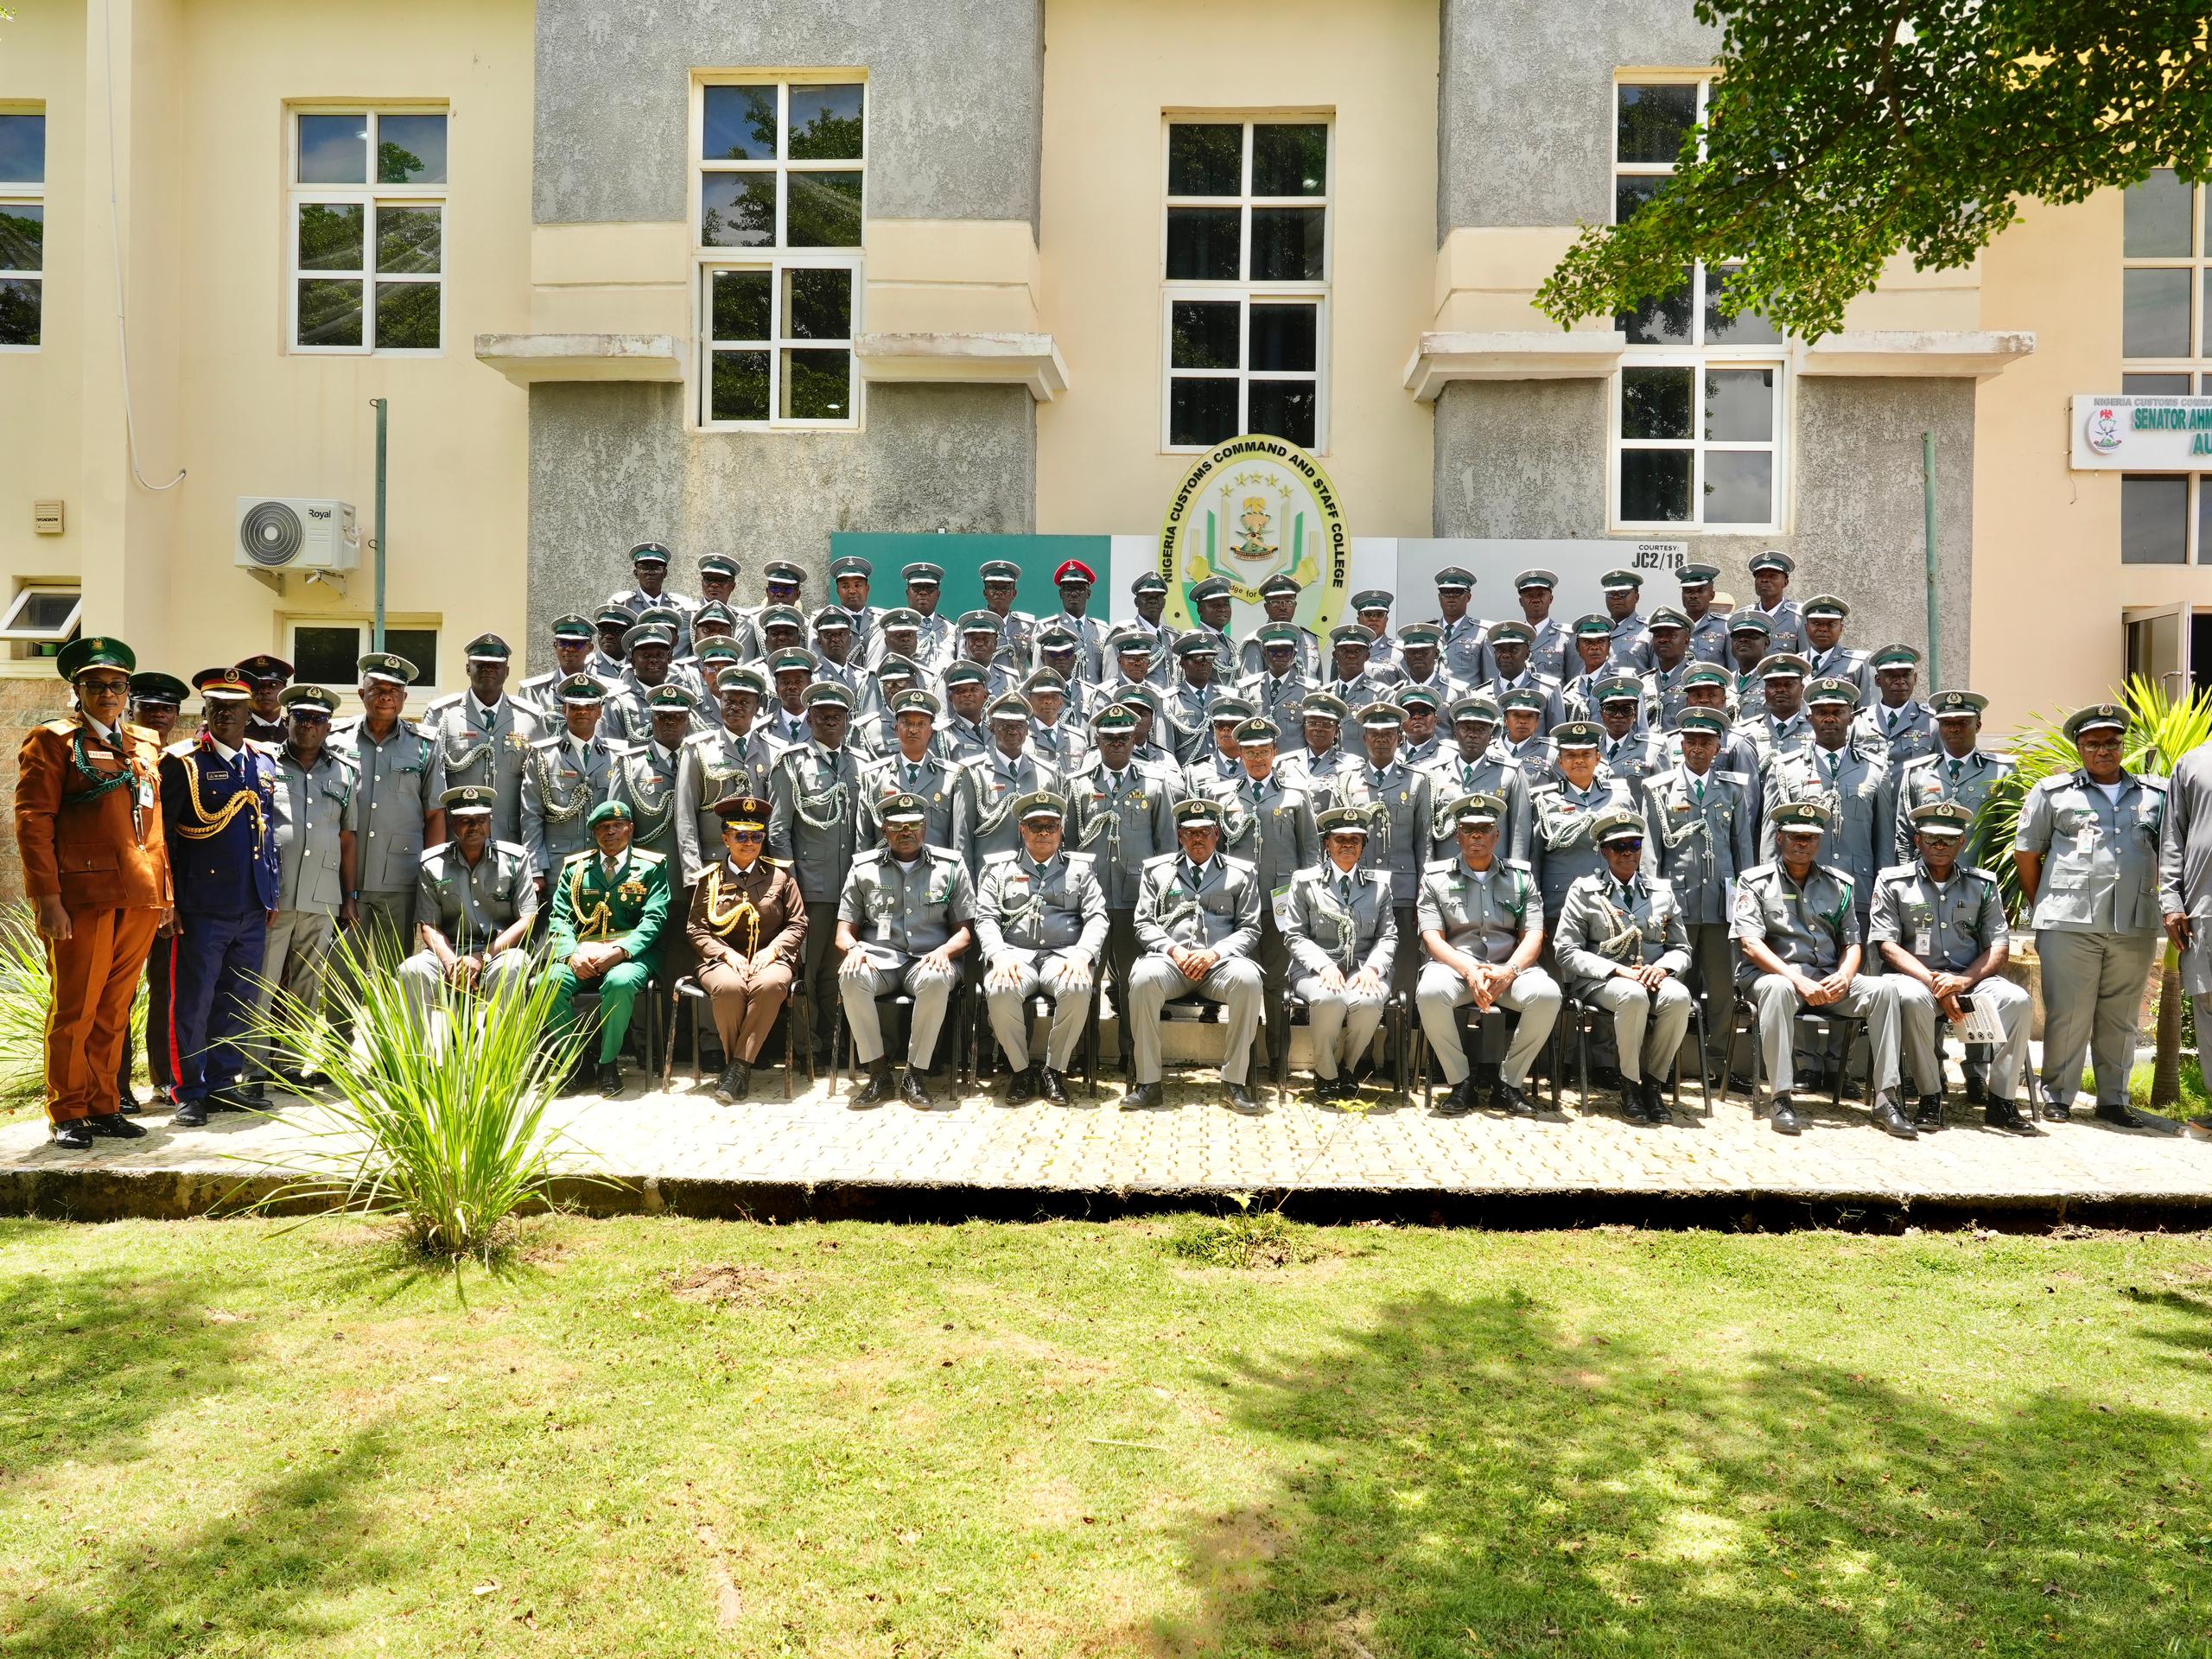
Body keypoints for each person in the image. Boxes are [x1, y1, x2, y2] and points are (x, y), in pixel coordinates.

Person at [15, 637, 169, 1148]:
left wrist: (164, 893)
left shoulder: (144, 744)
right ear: (77, 690)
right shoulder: (53, 741)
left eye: (117, 686)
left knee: (115, 1008)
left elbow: (153, 824)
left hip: (140, 894)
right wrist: (48, 899)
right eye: (96, 685)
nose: (108, 694)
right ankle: (68, 1109)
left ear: (128, 691)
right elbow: (34, 822)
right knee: (76, 1007)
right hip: (82, 896)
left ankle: (105, 1104)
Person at [2013, 703, 2167, 1127]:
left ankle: (2113, 1099)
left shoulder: (2157, 794)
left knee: (2121, 1012)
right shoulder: (2053, 792)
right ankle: (2058, 1094)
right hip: (2068, 920)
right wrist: (2046, 903)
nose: (2104, 751)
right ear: (2079, 748)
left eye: (2112, 743)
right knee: (2069, 1010)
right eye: (2094, 744)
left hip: (2134, 919)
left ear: (2123, 746)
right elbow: (2027, 853)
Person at [1732, 801, 1907, 1137]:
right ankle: (1781, 1098)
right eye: (1796, 836)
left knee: (1885, 990)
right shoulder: (1754, 882)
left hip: (1826, 979)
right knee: (1780, 989)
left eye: (1810, 838)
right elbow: (1750, 945)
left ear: (1820, 842)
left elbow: (1852, 943)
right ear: (1780, 838)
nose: (1803, 843)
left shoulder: (1839, 884)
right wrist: (1796, 979)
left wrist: (1846, 976)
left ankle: (1887, 1098)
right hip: (1774, 979)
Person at [160, 670, 281, 1128]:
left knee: (240, 997)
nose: (225, 712)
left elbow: (267, 835)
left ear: (250, 712)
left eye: (234, 705)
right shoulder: (183, 762)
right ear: (206, 711)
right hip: (201, 904)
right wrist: (169, 901)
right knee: (193, 999)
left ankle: (226, 1083)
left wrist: (269, 894)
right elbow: (165, 838)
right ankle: (189, 1090)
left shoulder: (263, 762)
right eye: (217, 705)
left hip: (251, 903)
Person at [1874, 802, 2037, 1134]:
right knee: (1911, 1000)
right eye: (1932, 839)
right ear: (1917, 840)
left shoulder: (1983, 884)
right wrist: (1937, 982)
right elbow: (1887, 946)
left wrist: (1962, 982)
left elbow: (1999, 946)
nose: (1940, 846)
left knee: (2018, 1000)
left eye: (1949, 840)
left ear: (1962, 842)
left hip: (1969, 978)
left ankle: (2001, 1101)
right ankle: (1930, 1096)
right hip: (1915, 979)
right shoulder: (1892, 882)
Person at [1414, 791, 1560, 1117]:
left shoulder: (1521, 877)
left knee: (1547, 994)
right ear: (1457, 835)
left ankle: (1508, 1083)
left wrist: (1509, 970)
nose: (1476, 836)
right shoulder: (1435, 878)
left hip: (1508, 969)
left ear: (1497, 835)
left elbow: (1534, 935)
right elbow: (1432, 937)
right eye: (1468, 829)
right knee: (1430, 992)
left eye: (1484, 829)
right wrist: (1468, 969)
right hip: (1455, 967)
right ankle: (1461, 1081)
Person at [1123, 797, 1266, 1114]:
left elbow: (1250, 928)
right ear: (1179, 835)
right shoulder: (1157, 872)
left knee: (1248, 979)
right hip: (1171, 964)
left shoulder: (1240, 873)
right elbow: (1143, 923)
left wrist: (1215, 953)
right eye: (1190, 832)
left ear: (1217, 834)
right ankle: (1148, 1083)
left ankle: (1234, 1084)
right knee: (1144, 979)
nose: (1197, 838)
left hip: (1219, 966)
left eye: (1204, 831)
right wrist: (1173, 950)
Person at [1554, 807, 1694, 1125]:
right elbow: (1565, 951)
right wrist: (1617, 970)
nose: (1628, 853)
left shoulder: (1661, 891)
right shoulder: (1584, 890)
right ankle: (1630, 1086)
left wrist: (1664, 969)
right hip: (1602, 981)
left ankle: (1653, 1085)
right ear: (1604, 852)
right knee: (1632, 996)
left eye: (1634, 846)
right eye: (1619, 847)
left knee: (1679, 998)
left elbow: (1682, 948)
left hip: (1651, 975)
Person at [836, 790, 974, 1108]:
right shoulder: (863, 868)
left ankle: (915, 1073)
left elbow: (965, 932)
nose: (906, 833)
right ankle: (879, 1072)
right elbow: (843, 931)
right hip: (878, 960)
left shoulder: (950, 867)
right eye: (897, 827)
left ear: (925, 828)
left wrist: (945, 952)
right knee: (851, 977)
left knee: (938, 979)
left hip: (928, 959)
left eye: (913, 826)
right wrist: (854, 949)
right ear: (884, 830)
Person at [251, 683, 356, 1094]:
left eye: (318, 719)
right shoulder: (263, 764)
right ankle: (255, 1067)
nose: (309, 726)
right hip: (274, 895)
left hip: (323, 893)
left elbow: (348, 839)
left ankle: (291, 1064)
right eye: (302, 718)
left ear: (329, 726)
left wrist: (349, 898)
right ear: (288, 721)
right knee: (263, 980)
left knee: (306, 985)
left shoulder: (346, 772)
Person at [1640, 708, 1755, 1078]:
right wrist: (1654, 905)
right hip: (1676, 905)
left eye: (1706, 742)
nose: (1698, 749)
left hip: (1720, 906)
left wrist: (1745, 904)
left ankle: (1718, 1064)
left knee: (1722, 988)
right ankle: (1666, 1062)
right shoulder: (1659, 790)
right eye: (1691, 742)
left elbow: (1743, 850)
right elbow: (1651, 853)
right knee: (1674, 984)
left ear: (1719, 747)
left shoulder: (1732, 788)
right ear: (1681, 745)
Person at [973, 790, 1108, 1104]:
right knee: (999, 989)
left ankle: (1054, 1070)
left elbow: (1098, 918)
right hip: (1015, 957)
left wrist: (1082, 955)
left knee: (1077, 986)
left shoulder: (1080, 869)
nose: (1044, 833)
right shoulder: (1000, 869)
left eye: (1051, 826)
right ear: (1022, 830)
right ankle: (1020, 1071)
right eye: (1036, 826)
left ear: (1062, 830)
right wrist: (999, 956)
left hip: (1063, 957)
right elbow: (985, 919)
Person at [1066, 703, 1178, 1067]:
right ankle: (1086, 1054)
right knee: (1086, 981)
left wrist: (1165, 903)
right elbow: (1067, 846)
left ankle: (1134, 1054)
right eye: (1109, 738)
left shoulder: (1155, 784)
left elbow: (1167, 851)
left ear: (1135, 739)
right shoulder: (1078, 786)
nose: (1116, 744)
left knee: (1134, 981)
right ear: (1096, 740)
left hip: (1137, 901)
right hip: (1090, 901)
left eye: (1124, 738)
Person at [540, 798, 669, 1096]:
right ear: (594, 834)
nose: (610, 832)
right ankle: (576, 1063)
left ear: (630, 829)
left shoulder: (651, 868)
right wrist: (571, 954)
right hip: (583, 955)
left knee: (620, 981)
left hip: (630, 955)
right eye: (602, 827)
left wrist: (621, 952)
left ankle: (608, 1063)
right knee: (548, 982)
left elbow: (654, 919)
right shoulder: (576, 870)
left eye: (617, 826)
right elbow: (559, 918)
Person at [687, 792, 806, 1102]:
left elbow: (798, 923)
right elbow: (696, 928)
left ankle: (738, 1068)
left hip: (771, 956)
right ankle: (740, 1065)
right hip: (722, 960)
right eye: (741, 835)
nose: (749, 842)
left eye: (756, 836)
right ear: (725, 838)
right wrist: (725, 954)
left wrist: (773, 952)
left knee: (770, 985)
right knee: (729, 988)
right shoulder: (710, 879)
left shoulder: (780, 877)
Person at [769, 682, 865, 1065]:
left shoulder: (858, 763)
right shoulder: (792, 764)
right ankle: (806, 1047)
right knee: (805, 972)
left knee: (836, 971)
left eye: (837, 715)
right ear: (808, 718)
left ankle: (834, 1041)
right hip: (811, 887)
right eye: (822, 714)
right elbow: (778, 830)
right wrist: (791, 886)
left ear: (847, 720)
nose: (830, 720)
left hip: (851, 888)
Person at [398, 785, 537, 1028]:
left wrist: (482, 957)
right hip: (449, 953)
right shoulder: (432, 864)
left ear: (490, 821)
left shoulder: (515, 860)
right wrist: (452, 962)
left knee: (513, 967)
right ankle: (421, 1061)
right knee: (412, 969)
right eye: (465, 820)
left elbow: (526, 919)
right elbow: (429, 926)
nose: (474, 827)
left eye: (481, 819)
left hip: (498, 952)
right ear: (452, 824)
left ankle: (499, 1060)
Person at [331, 652, 442, 956]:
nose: (386, 697)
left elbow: (434, 815)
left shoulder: (425, 745)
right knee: (342, 974)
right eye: (377, 689)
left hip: (400, 876)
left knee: (395, 971)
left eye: (394, 691)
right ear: (361, 693)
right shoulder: (334, 740)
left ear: (405, 697)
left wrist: (430, 878)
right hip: (341, 875)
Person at [1285, 806, 1396, 1104]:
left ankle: (1347, 1068)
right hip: (1313, 969)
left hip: (1364, 968)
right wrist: (1323, 966)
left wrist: (1373, 969)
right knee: (1330, 997)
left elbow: (1388, 935)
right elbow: (1294, 934)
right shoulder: (1305, 882)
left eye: (1355, 840)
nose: (1348, 844)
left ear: (1363, 847)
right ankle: (1325, 1073)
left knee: (1370, 1000)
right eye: (1340, 838)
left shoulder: (1379, 886)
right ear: (1327, 843)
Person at [1763, 677, 1893, 925]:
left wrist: (1883, 890)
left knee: (1856, 962)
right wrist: (1770, 890)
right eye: (1822, 712)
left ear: (1851, 717)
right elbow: (1771, 839)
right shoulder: (1784, 769)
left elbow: (1884, 839)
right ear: (1810, 718)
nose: (1830, 719)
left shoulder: (1875, 769)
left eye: (1838, 712)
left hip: (1859, 888)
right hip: (1799, 888)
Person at [120, 670, 188, 1106]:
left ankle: (164, 1078)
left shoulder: (181, 762)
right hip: (127, 893)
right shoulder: (119, 754)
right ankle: (116, 1085)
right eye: (150, 708)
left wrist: (174, 899)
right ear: (132, 709)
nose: (159, 716)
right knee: (119, 995)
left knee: (166, 989)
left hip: (172, 898)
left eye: (167, 709)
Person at [1213, 716, 1318, 984]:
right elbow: (1218, 852)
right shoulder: (1224, 796)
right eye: (1249, 752)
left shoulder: (1295, 793)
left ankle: (1277, 1028)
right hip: (1237, 899)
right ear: (1240, 754)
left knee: (1277, 975)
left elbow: (1309, 850)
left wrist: (1312, 897)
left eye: (1263, 751)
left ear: (1275, 752)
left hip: (1281, 898)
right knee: (1237, 974)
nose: (1257, 758)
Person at [421, 633, 540, 846]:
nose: (488, 670)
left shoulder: (530, 718)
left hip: (511, 840)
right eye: (481, 665)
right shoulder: (442, 715)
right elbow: (429, 785)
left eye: (495, 665)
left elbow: (539, 789)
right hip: (457, 838)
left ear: (507, 671)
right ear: (468, 668)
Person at [672, 664, 777, 890]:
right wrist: (693, 875)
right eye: (729, 701)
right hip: (713, 867)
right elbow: (685, 817)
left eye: (743, 702)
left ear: (757, 706)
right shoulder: (698, 749)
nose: (735, 708)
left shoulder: (774, 751)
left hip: (760, 870)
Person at [521, 674, 619, 896]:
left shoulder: (617, 756)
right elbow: (531, 816)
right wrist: (535, 869)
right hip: (558, 867)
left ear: (600, 712)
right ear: (564, 711)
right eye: (574, 707)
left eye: (589, 707)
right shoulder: (543, 755)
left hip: (606, 863)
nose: (582, 712)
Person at [1531, 721, 1637, 924]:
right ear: (1560, 762)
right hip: (1561, 904)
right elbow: (1535, 860)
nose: (1578, 760)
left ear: (1598, 758)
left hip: (1614, 901)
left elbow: (1637, 851)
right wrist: (1535, 914)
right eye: (1571, 755)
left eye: (1586, 754)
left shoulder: (1620, 796)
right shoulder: (1545, 801)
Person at [607, 540, 696, 656]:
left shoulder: (682, 607)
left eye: (656, 568)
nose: (651, 572)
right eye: (645, 567)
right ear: (636, 573)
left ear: (665, 574)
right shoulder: (622, 604)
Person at [1854, 645, 1939, 766]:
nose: (1900, 681)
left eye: (1906, 675)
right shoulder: (1859, 722)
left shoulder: (1932, 722)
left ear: (1915, 678)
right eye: (1892, 676)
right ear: (1878, 680)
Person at [516, 613, 605, 721]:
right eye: (563, 643)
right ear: (555, 645)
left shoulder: (604, 690)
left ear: (590, 648)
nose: (569, 649)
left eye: (577, 644)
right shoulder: (535, 691)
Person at [1239, 572, 1320, 680]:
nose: (1283, 607)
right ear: (1266, 607)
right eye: (1276, 602)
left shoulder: (1310, 640)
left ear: (1295, 605)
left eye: (1288, 601)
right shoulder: (1257, 640)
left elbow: (1319, 686)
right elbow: (1251, 689)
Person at [1800, 595, 1874, 702]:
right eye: (1816, 623)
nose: (1823, 629)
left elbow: (1867, 711)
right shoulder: (1796, 664)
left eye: (1831, 624)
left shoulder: (1859, 664)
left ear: (1841, 628)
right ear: (1806, 627)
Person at [1431, 565, 1494, 685]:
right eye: (1445, 592)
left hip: (1466, 702)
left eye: (1457, 592)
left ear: (1469, 597)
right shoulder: (1429, 632)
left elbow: (1490, 682)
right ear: (1439, 598)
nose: (1451, 597)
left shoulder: (1483, 632)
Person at [1047, 560, 1109, 683]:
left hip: (1096, 699)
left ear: (1088, 593)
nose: (1074, 593)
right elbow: (1042, 674)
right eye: (1068, 589)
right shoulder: (1048, 629)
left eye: (1080, 588)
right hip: (1063, 699)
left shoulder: (1103, 631)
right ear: (1061, 594)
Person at [1510, 569, 1572, 681]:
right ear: (1521, 602)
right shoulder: (1512, 639)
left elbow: (1575, 682)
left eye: (1541, 595)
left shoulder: (1566, 637)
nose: (1535, 600)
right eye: (1529, 595)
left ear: (1551, 599)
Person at [1742, 550, 1806, 656]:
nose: (1765, 580)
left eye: (1772, 576)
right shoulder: (1745, 617)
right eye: (1760, 576)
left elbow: (1806, 660)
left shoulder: (1798, 618)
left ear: (1785, 583)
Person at [1599, 569, 1655, 671]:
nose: (1616, 598)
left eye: (1623, 593)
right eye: (1610, 594)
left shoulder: (1649, 631)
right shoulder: (1598, 630)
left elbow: (1657, 674)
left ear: (1636, 597)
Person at [1675, 563, 1732, 664]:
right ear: (1682, 595)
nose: (1693, 596)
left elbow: (1733, 672)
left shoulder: (1725, 627)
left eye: (1700, 590)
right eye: (1688, 591)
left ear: (1712, 595)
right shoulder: (1674, 627)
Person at [235, 653, 294, 746]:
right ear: (246, 691)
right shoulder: (233, 730)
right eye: (258, 685)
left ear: (284, 690)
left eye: (273, 685)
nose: (265, 691)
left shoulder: (296, 730)